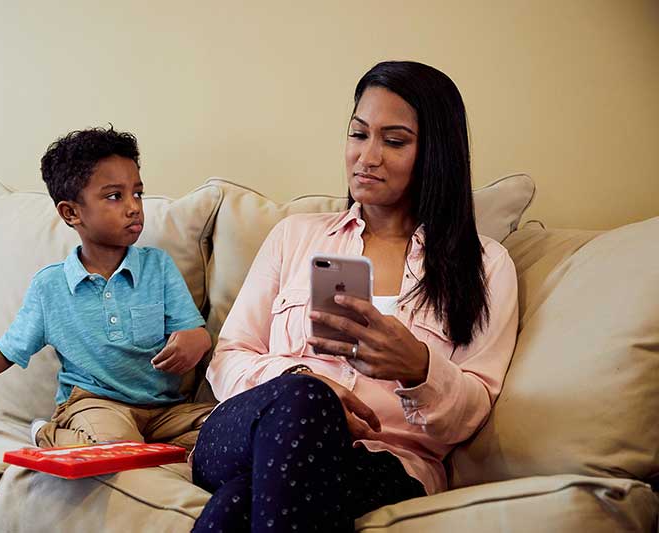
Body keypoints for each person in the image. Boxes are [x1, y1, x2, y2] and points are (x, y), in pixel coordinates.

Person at [191, 61, 519, 532]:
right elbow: (228, 358)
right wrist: (304, 385)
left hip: (384, 464)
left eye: (395, 141)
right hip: (246, 433)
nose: (367, 157)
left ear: (435, 154)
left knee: (239, 505)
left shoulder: (485, 267)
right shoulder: (294, 237)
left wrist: (419, 369)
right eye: (358, 134)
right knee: (304, 399)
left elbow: (470, 414)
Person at [0, 126, 214, 452]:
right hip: (94, 405)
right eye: (114, 196)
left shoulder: (158, 267)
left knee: (225, 429)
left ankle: (145, 447)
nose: (133, 207)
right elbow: (7, 351)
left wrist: (198, 338)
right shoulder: (50, 287)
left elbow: (194, 332)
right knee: (114, 442)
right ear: (71, 212)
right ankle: (47, 434)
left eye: (137, 193)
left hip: (165, 409)